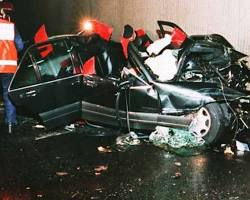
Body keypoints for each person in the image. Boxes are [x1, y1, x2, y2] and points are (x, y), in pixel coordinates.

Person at [0, 2, 23, 134]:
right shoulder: (11, 27)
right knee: (7, 94)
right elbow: (19, 46)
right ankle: (10, 121)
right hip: (8, 66)